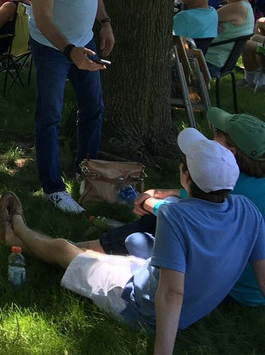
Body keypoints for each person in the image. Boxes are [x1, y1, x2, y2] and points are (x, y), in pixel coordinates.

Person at [0, 128, 265, 355]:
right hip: (187, 302)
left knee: (64, 249)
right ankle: (19, 238)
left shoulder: (175, 216)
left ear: (186, 177)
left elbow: (172, 293)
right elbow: (263, 275)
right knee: (104, 252)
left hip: (140, 308)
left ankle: (17, 229)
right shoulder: (246, 208)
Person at [83, 107, 265, 308]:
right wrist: (169, 192)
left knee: (153, 222)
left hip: (230, 287)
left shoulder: (236, 192)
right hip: (253, 284)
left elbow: (183, 218)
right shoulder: (244, 185)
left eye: (217, 134)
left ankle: (83, 250)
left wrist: (151, 203)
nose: (211, 137)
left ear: (231, 152)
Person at [26, 0, 113, 214]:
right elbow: (44, 17)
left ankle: (85, 169)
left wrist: (104, 22)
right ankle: (53, 188)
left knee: (93, 107)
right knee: (49, 116)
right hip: (52, 48)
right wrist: (69, 51)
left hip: (85, 40)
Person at [204, 0, 254, 77]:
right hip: (220, 60)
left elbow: (201, 21)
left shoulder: (237, 7)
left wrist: (211, 23)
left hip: (209, 61)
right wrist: (213, 24)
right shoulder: (244, 5)